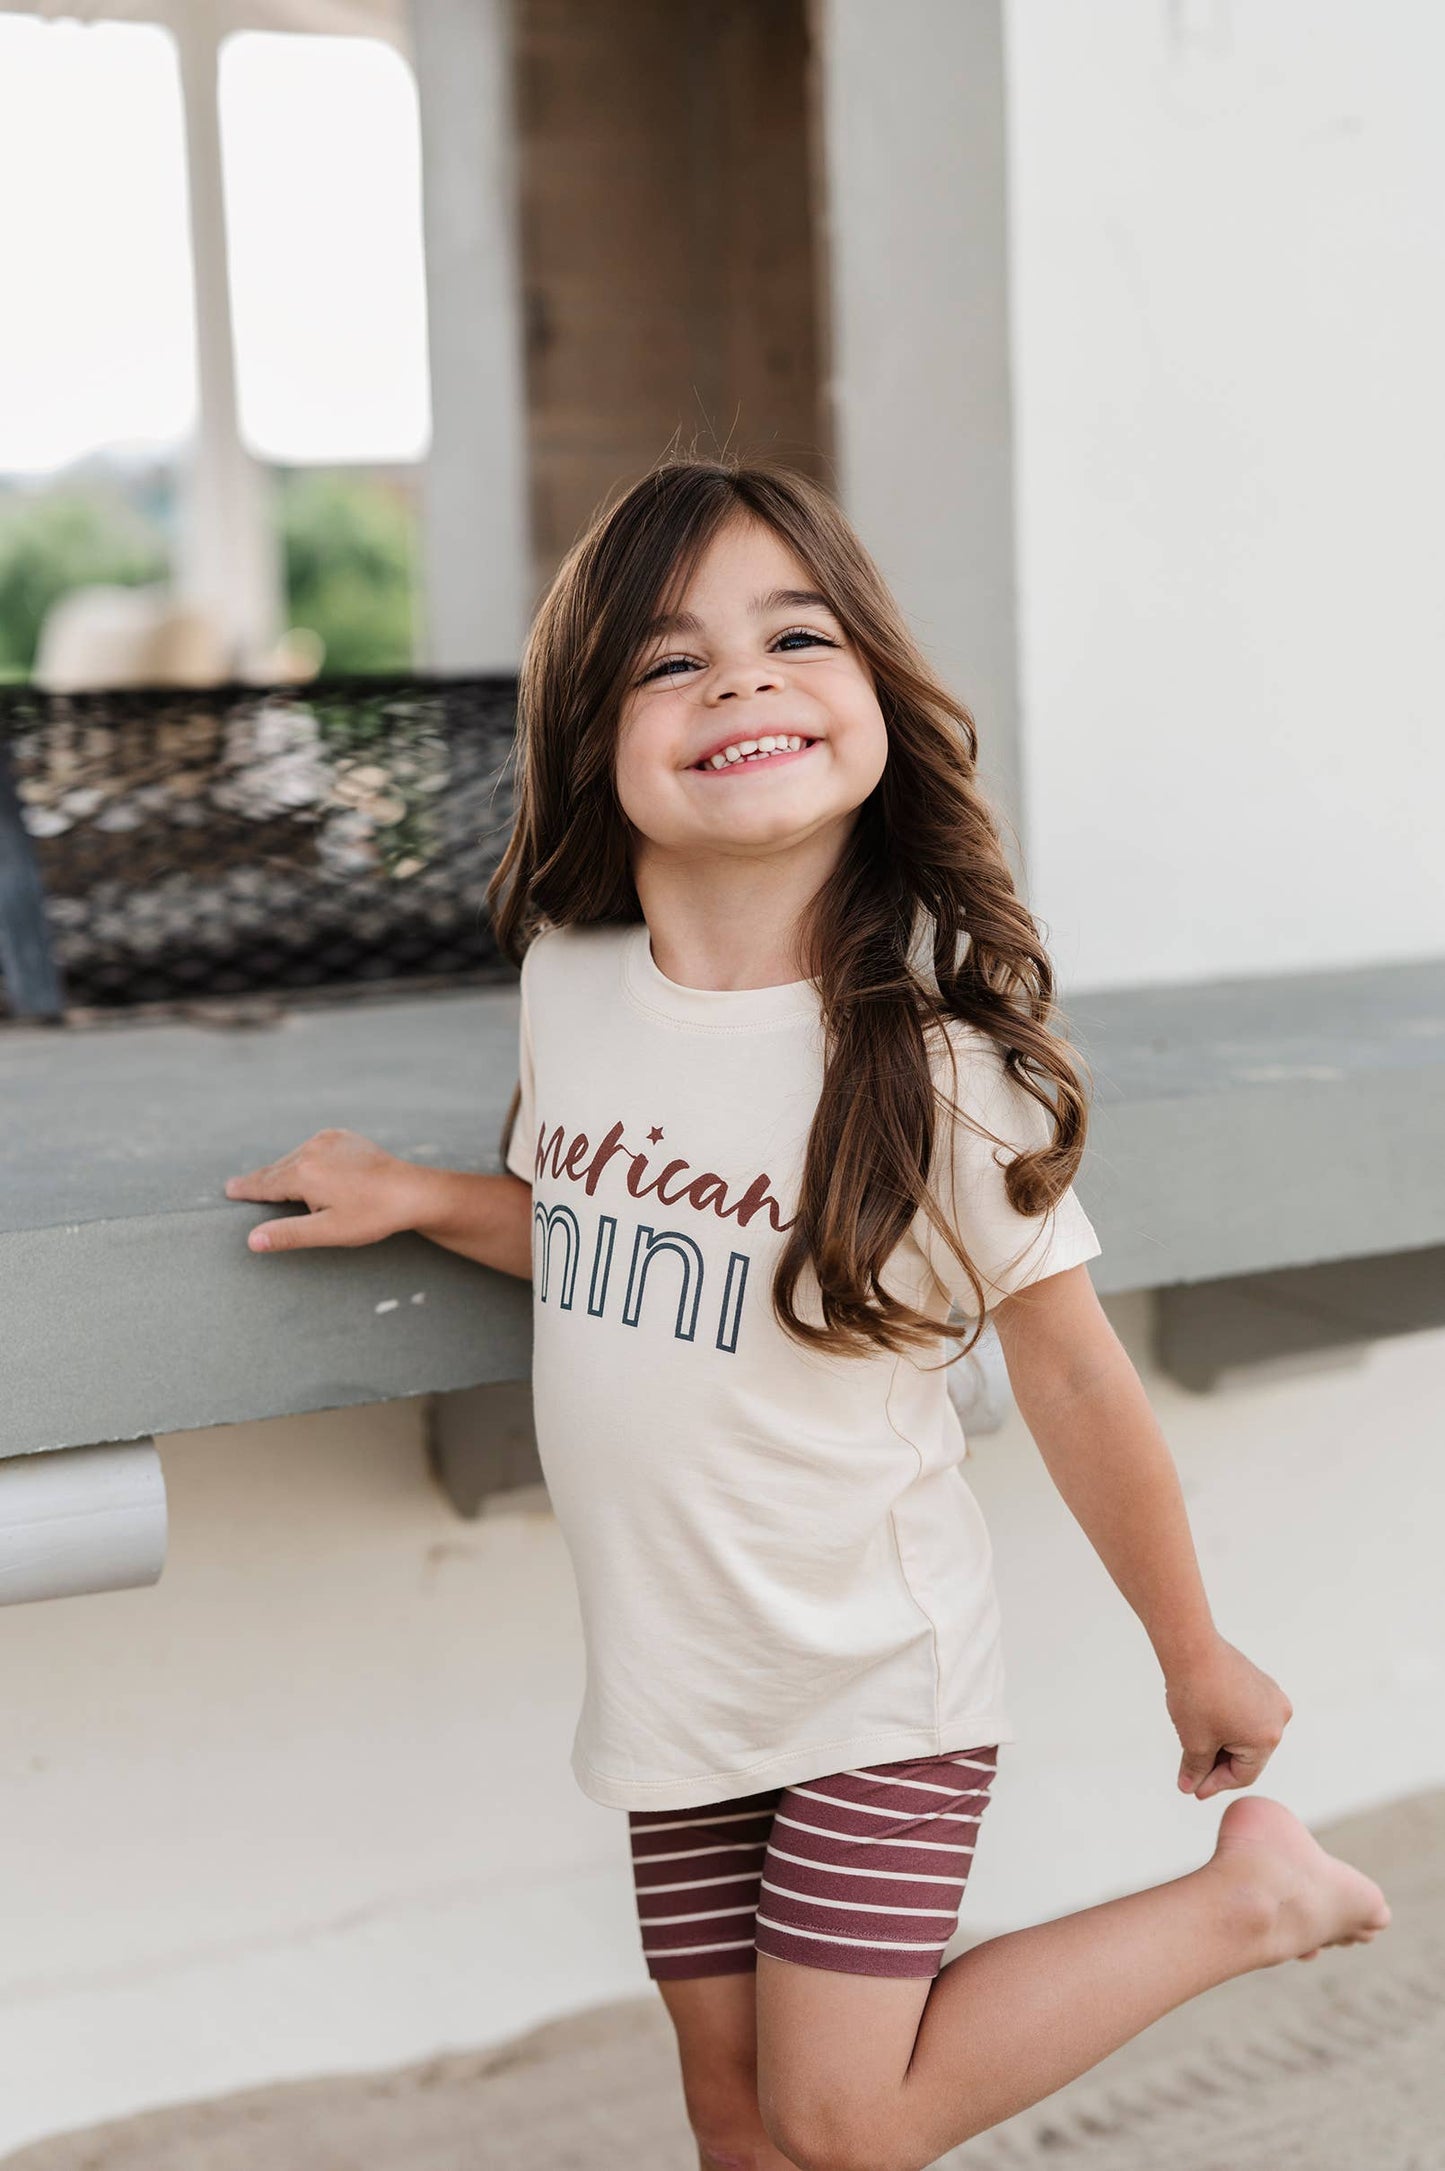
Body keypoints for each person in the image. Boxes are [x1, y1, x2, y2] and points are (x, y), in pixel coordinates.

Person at [224, 458, 1390, 2171]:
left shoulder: (936, 1076)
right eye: (668, 662)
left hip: (869, 1681)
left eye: (794, 636)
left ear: (876, 711)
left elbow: (1071, 1379)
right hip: (674, 1673)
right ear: (590, 745)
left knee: (841, 2120)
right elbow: (617, 1235)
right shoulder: (571, 984)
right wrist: (427, 1202)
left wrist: (1190, 1649)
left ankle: (1251, 1902)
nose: (741, 681)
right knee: (734, 2114)